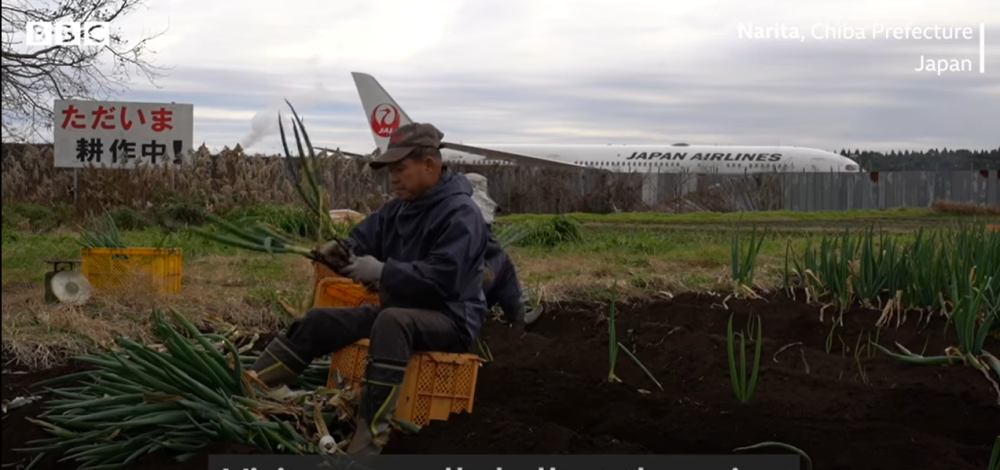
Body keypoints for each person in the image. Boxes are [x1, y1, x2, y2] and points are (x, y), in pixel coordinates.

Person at [250, 122, 488, 456]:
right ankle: (255, 387)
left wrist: (384, 271)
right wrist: (340, 251)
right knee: (320, 319)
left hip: (451, 319)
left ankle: (369, 440)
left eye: (401, 169)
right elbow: (362, 239)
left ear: (430, 165)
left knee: (391, 322)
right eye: (391, 170)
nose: (394, 178)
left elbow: (444, 278)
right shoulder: (398, 210)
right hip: (400, 311)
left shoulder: (461, 215)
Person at [463, 173, 542, 329]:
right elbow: (490, 247)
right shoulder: (470, 213)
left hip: (441, 284)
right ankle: (519, 319)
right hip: (458, 290)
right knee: (503, 263)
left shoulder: (443, 207)